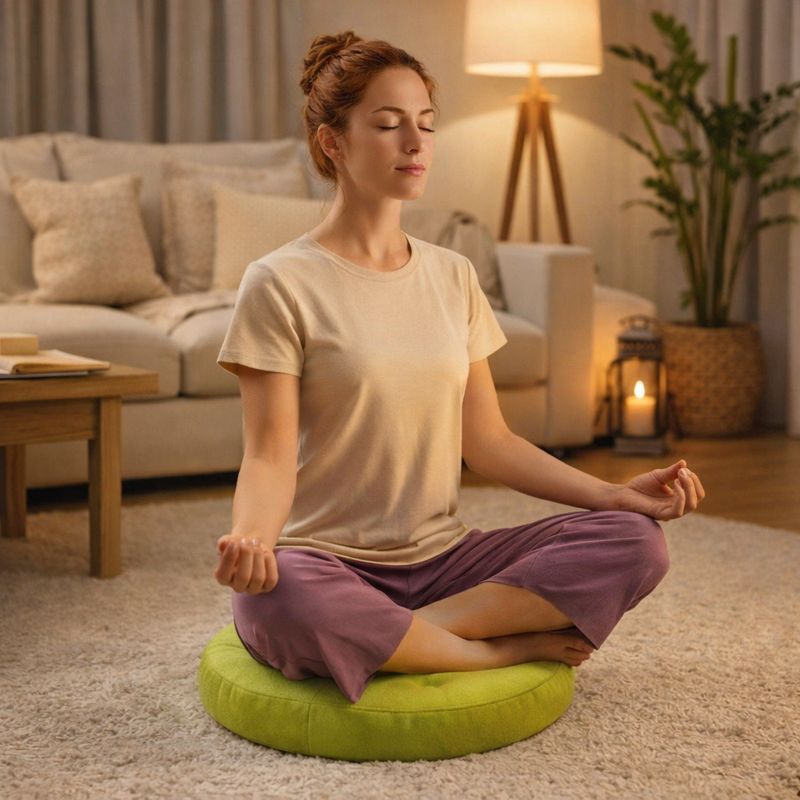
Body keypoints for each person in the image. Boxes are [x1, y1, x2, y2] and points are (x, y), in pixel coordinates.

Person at [212, 31, 706, 705]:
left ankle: (404, 638)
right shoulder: (279, 282)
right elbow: (268, 455)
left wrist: (616, 494)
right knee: (274, 603)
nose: (415, 143)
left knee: (636, 543)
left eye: (426, 125)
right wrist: (253, 542)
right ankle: (489, 651)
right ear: (334, 143)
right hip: (327, 561)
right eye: (388, 125)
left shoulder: (453, 275)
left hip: (446, 562)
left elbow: (490, 443)